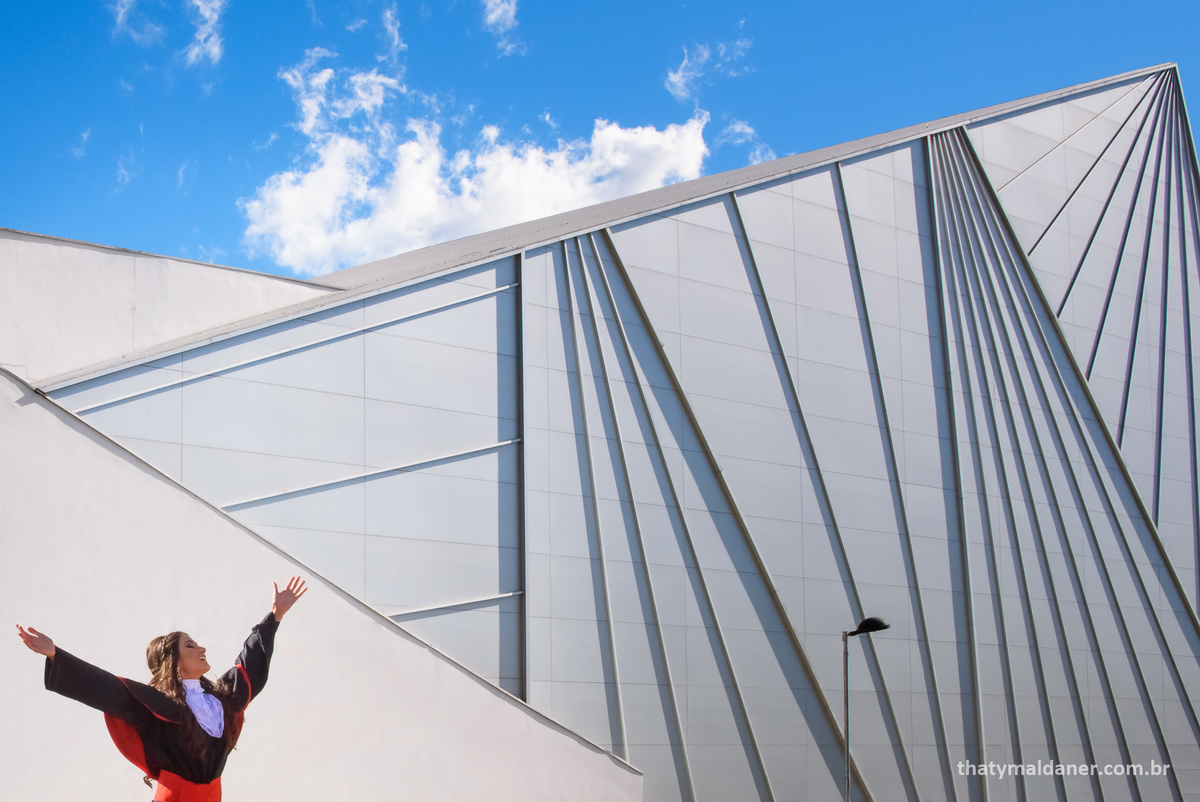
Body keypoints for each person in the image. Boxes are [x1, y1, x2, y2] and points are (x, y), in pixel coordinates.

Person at [16, 576, 307, 802]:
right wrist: (56, 655)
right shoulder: (161, 707)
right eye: (190, 646)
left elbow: (249, 664)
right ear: (174, 663)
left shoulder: (220, 700)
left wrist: (275, 615)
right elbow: (108, 688)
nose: (202, 648)